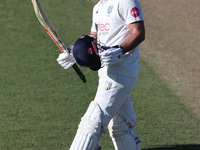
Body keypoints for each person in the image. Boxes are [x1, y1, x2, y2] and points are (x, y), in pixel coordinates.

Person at [57, 0, 145, 149]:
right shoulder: (98, 7)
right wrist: (75, 53)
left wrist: (119, 50)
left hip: (121, 72)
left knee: (92, 122)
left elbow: (139, 32)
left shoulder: (125, 2)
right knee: (120, 126)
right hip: (106, 73)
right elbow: (94, 40)